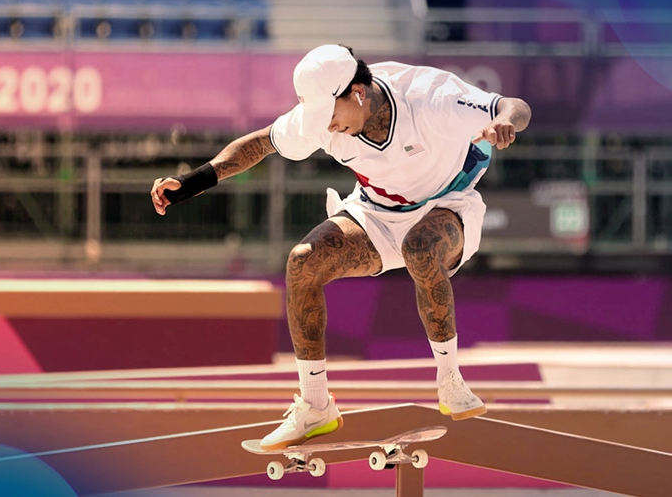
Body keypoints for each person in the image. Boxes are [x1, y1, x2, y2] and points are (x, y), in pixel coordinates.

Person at [150, 44, 531, 451]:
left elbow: (515, 106)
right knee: (303, 263)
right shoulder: (320, 118)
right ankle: (316, 407)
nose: (328, 128)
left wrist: (504, 123)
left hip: (447, 205)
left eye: (331, 117)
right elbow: (258, 144)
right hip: (376, 212)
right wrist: (191, 183)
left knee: (420, 249)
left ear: (358, 93)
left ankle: (450, 381)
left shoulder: (429, 95)